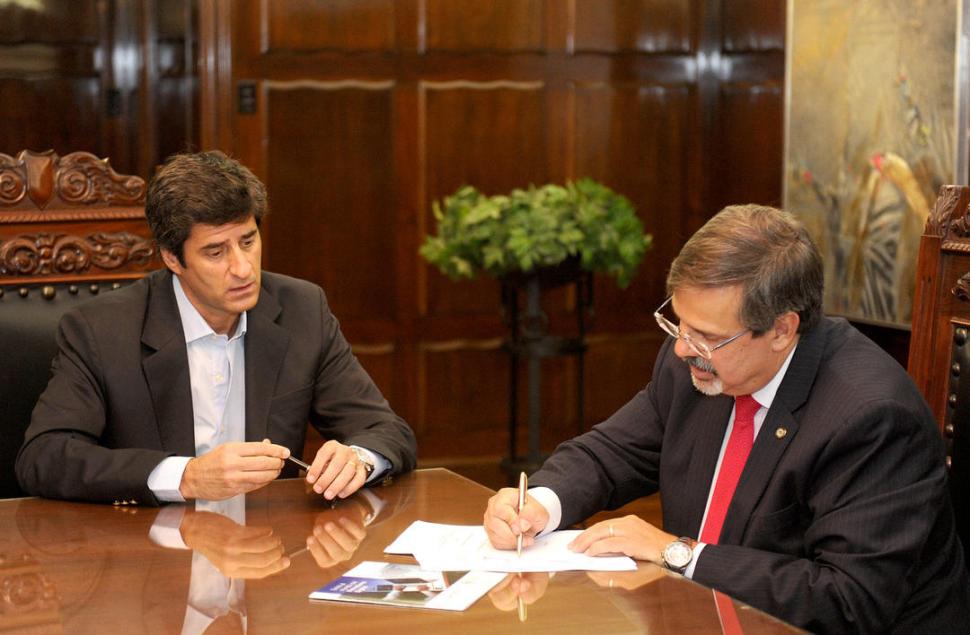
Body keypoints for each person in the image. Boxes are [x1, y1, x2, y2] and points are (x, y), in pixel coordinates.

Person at [483, 204, 970, 633]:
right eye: (679, 323)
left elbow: (846, 600)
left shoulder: (871, 418)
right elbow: (613, 452)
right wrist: (540, 503)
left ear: (782, 330)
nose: (682, 348)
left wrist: (677, 553)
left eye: (708, 336)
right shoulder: (698, 364)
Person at [16, 150, 416, 505]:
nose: (242, 268)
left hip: (269, 547)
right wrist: (186, 477)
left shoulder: (302, 310)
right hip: (152, 549)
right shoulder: (101, 330)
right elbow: (45, 456)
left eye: (248, 241)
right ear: (172, 258)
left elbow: (385, 430)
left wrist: (359, 459)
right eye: (215, 252)